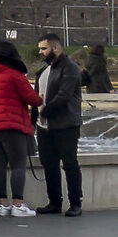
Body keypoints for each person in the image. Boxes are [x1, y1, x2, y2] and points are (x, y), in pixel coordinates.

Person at [0, 39, 40, 216]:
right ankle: (18, 205)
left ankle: (3, 205)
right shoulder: (14, 74)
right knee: (18, 164)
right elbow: (32, 99)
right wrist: (41, 98)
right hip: (10, 124)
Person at [33, 33, 85, 216]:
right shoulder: (44, 71)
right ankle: (54, 202)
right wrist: (34, 119)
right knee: (49, 164)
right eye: (39, 48)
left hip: (66, 125)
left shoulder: (70, 68)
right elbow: (37, 98)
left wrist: (44, 113)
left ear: (55, 48)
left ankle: (75, 203)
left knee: (70, 164)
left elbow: (64, 96)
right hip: (44, 127)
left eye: (43, 48)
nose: (40, 52)